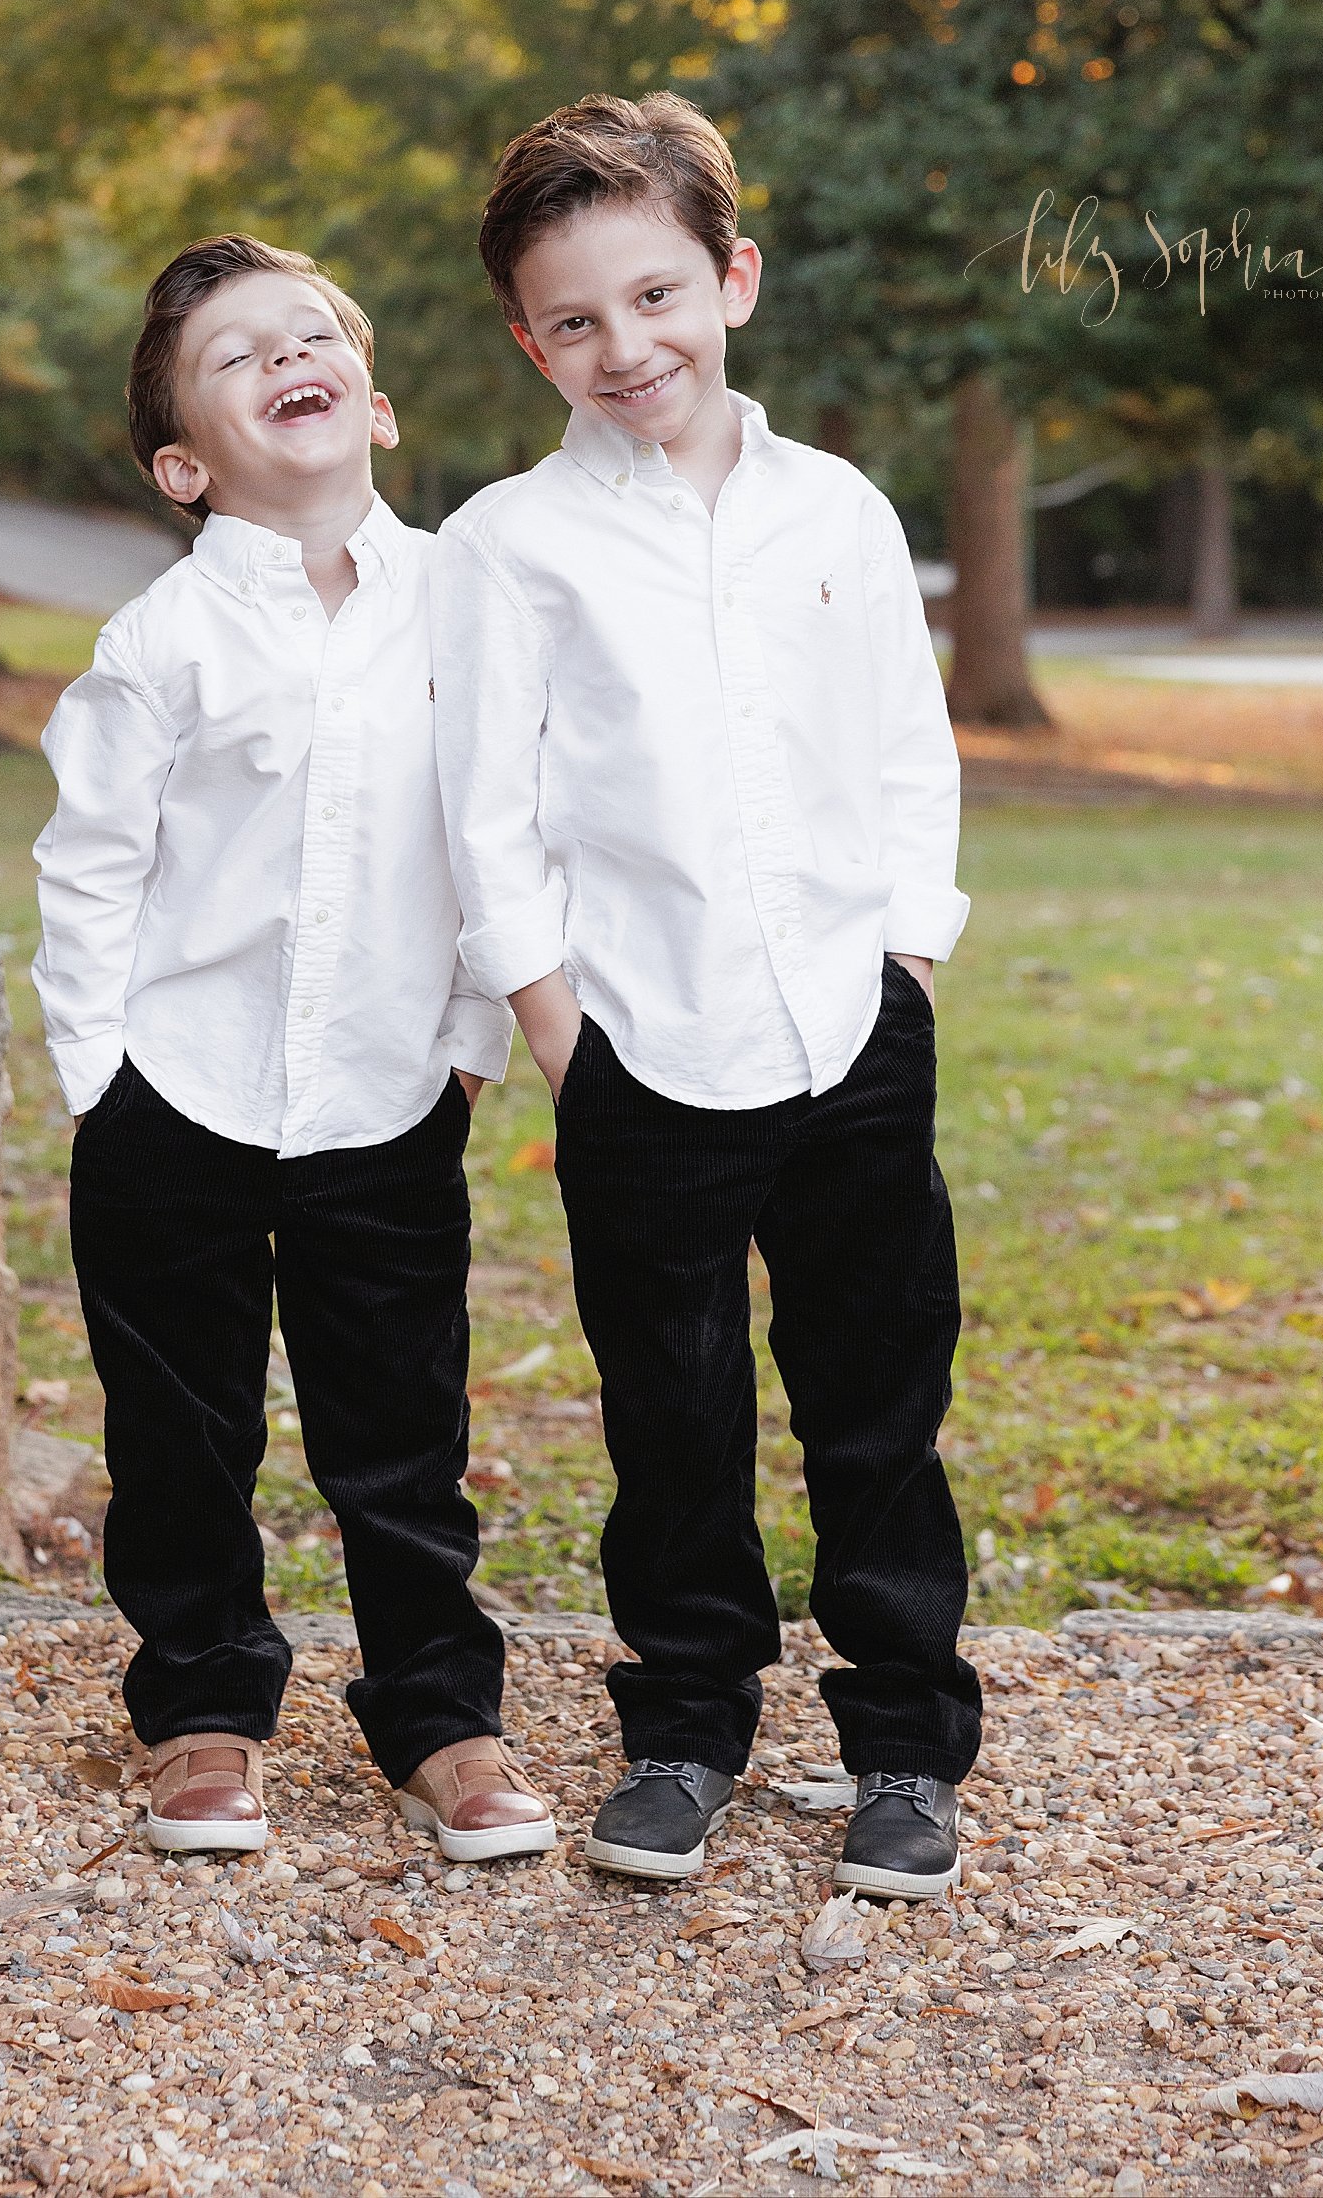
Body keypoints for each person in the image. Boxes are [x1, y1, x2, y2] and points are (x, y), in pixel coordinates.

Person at [430, 95, 980, 1896]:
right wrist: (551, 1020)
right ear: (529, 339)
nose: (625, 346)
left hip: (848, 1023)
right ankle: (685, 1721)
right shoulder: (513, 544)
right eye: (575, 320)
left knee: (876, 1398)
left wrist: (906, 956)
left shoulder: (838, 507)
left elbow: (908, 744)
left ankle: (903, 1735)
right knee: (670, 1406)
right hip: (641, 1042)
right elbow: (486, 805)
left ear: (732, 276)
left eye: (657, 295)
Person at [32, 233, 554, 1866]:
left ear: (376, 403)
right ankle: (201, 1709)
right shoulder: (163, 639)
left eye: (309, 334)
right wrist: (96, 1072)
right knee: (179, 1429)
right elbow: (92, 859)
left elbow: (498, 835)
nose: (284, 359)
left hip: (387, 1089)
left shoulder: (465, 610)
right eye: (236, 356)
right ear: (186, 460)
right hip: (175, 1091)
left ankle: (443, 1718)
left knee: (398, 1428)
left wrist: (469, 1043)